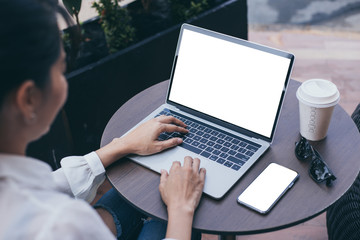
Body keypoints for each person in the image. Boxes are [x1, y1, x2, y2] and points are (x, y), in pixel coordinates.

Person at [0, 0, 206, 239]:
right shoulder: (63, 224)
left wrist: (121, 145)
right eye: (60, 70)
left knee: (148, 186)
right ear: (28, 99)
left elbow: (45, 185)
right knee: (174, 204)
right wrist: (181, 209)